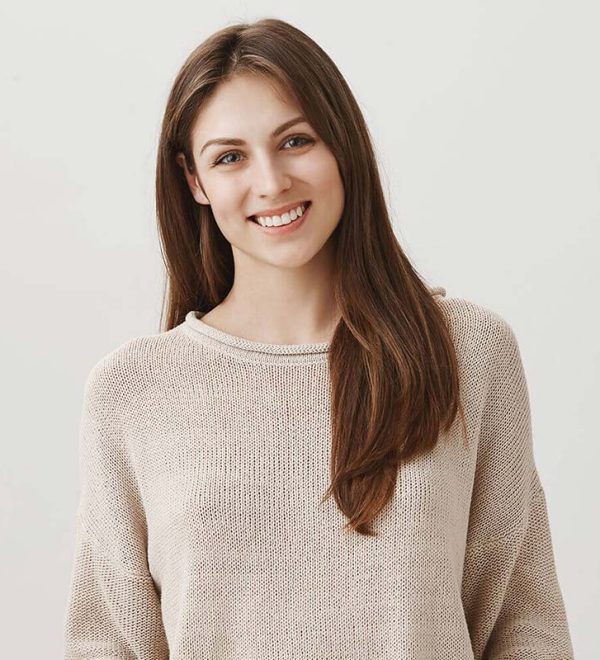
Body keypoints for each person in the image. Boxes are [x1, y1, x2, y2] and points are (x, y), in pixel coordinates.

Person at [62, 17, 574, 660]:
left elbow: (525, 626)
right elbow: (109, 641)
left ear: (342, 145)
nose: (271, 182)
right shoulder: (134, 390)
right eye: (229, 157)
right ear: (195, 181)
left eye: (296, 141)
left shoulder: (469, 352)